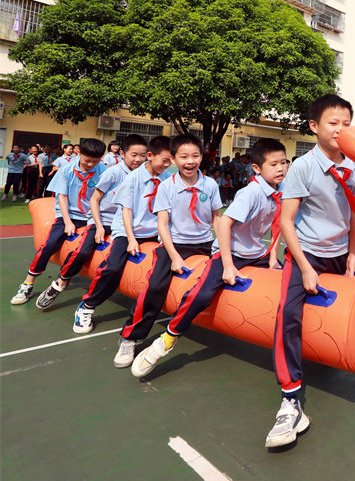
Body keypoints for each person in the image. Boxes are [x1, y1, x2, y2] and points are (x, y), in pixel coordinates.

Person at [130, 139, 287, 377]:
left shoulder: (280, 192)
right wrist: (227, 265)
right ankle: (167, 339)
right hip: (231, 253)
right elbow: (223, 224)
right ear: (256, 168)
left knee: (289, 284)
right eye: (274, 164)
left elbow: (278, 225)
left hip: (257, 254)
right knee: (201, 295)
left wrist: (273, 257)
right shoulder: (250, 193)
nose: (281, 169)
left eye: (284, 163)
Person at [268, 94, 355, 448]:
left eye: (346, 123)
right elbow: (287, 221)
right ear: (314, 126)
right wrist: (306, 268)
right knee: (287, 313)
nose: (341, 130)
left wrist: (353, 255)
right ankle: (290, 398)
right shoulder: (303, 167)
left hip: (339, 254)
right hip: (305, 253)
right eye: (333, 123)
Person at [104, 134, 221, 355]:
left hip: (205, 242)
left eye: (195, 156)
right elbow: (162, 225)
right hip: (174, 244)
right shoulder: (167, 186)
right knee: (155, 286)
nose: (190, 161)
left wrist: (223, 246)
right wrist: (175, 256)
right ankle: (130, 337)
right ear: (174, 159)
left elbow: (217, 218)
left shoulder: (211, 184)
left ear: (202, 157)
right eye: (183, 156)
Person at [73, 136, 173, 336]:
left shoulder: (167, 178)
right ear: (152, 157)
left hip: (153, 230)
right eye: (165, 160)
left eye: (171, 160)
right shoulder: (132, 178)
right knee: (113, 268)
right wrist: (131, 239)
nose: (168, 164)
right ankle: (87, 305)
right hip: (128, 229)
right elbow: (126, 211)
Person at [36, 135, 150, 310]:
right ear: (122, 153)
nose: (138, 159)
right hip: (104, 218)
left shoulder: (146, 174)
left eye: (142, 156)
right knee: (83, 252)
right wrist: (97, 225)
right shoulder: (112, 172)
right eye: (134, 155)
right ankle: (61, 282)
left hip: (128, 223)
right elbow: (94, 200)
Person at [10, 139, 108, 305]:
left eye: (95, 161)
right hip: (68, 214)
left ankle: (61, 282)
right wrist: (68, 222)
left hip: (91, 217)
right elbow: (62, 196)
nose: (91, 164)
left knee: (85, 251)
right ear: (79, 153)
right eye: (87, 160)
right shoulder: (67, 169)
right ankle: (28, 283)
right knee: (49, 245)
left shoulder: (104, 171)